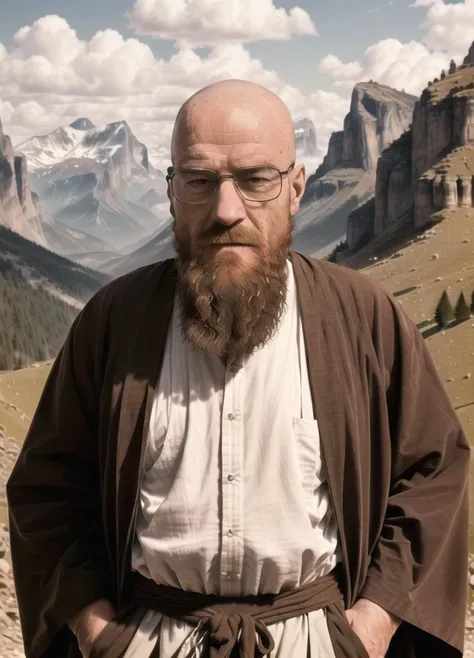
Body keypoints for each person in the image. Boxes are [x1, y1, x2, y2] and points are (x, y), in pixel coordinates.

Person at [7, 79, 470, 658]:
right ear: (172, 191)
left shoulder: (364, 317)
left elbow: (431, 474)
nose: (227, 211)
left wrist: (371, 627)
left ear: (296, 188)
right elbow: (50, 488)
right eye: (200, 181)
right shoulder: (112, 321)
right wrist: (97, 630)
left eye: (256, 180)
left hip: (316, 643)